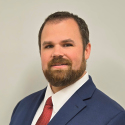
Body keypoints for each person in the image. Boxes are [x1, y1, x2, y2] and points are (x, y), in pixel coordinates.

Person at [9, 11, 125, 125]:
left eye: (67, 44)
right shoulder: (22, 107)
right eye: (49, 46)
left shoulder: (113, 118)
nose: (57, 53)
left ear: (86, 51)